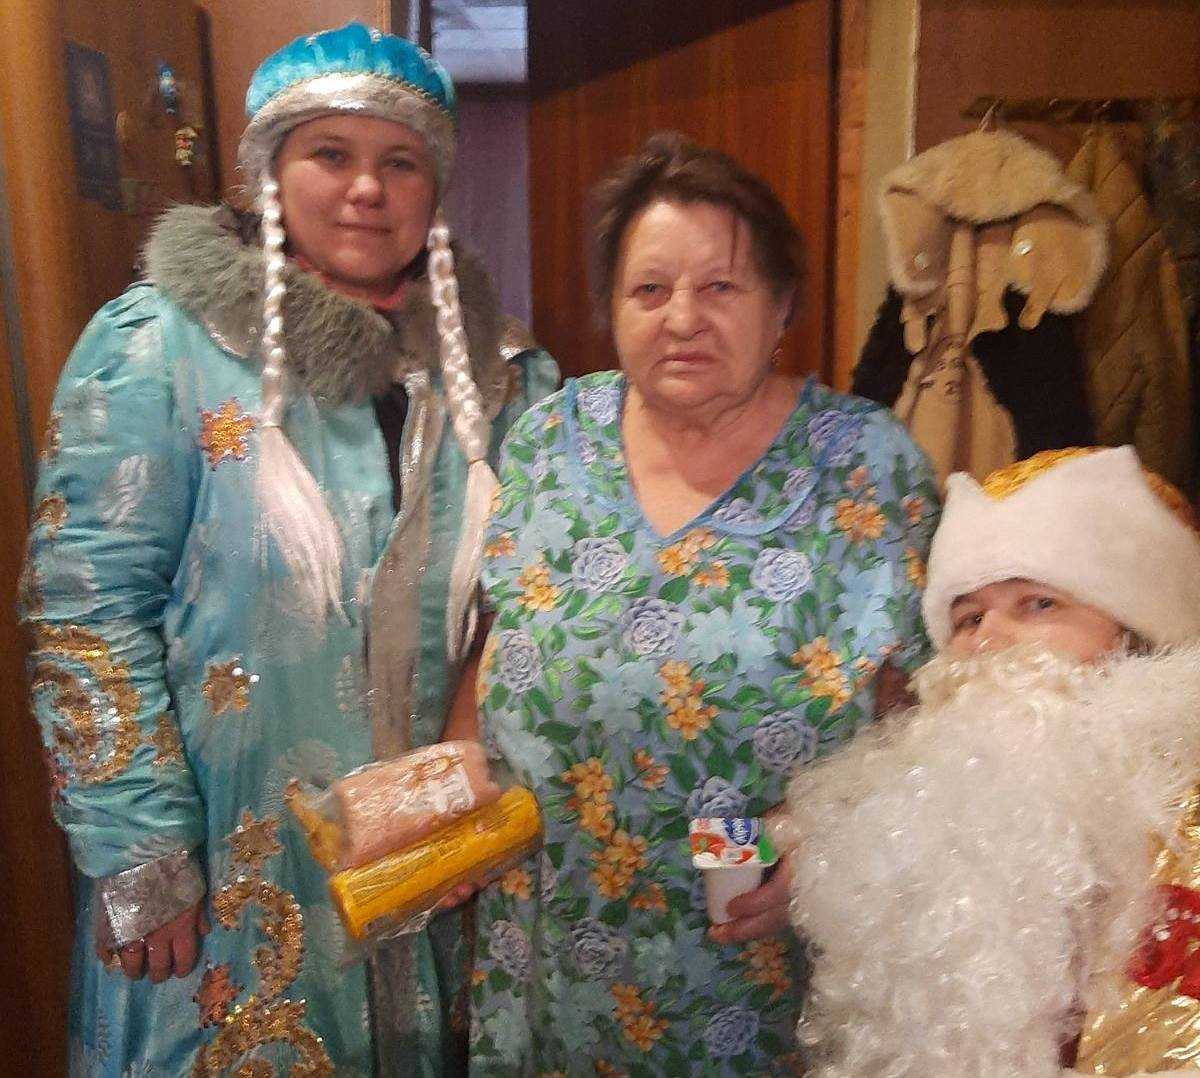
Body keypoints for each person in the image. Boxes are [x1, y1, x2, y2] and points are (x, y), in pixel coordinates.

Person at [21, 23, 556, 1076]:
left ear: (435, 188)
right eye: (330, 154)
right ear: (270, 170)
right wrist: (138, 848)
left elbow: (530, 600)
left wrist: (482, 787)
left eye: (400, 162)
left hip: (439, 864)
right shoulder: (160, 347)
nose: (367, 189)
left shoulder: (504, 375)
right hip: (225, 874)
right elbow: (84, 606)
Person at [458, 132, 939, 1075]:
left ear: (782, 306)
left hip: (761, 963)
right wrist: (459, 777)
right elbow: (498, 632)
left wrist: (832, 843)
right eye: (649, 289)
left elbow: (924, 708)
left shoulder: (870, 463)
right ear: (612, 307)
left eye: (721, 287)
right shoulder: (551, 437)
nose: (683, 318)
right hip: (552, 943)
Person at [780, 446, 1200, 1077]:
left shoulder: (1180, 819)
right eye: (968, 617)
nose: (987, 640)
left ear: (1137, 632)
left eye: (1039, 604)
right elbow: (758, 843)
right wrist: (766, 853)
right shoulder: (923, 795)